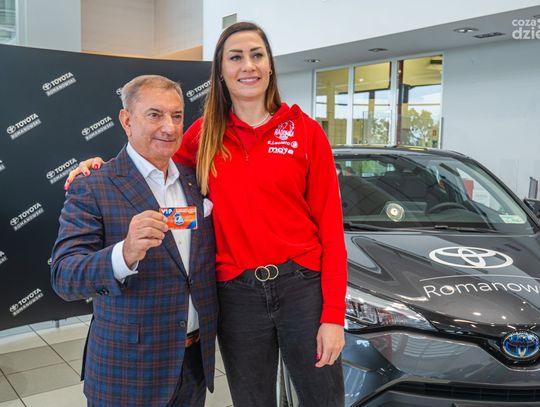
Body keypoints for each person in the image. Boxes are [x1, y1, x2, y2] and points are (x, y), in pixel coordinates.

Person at [67, 22, 347, 407]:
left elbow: (331, 231)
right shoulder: (202, 135)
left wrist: (333, 316)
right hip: (236, 295)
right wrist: (100, 167)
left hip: (302, 287)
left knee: (323, 398)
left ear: (270, 65)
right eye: (235, 57)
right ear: (221, 70)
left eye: (257, 55)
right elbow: (156, 176)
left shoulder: (306, 132)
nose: (247, 65)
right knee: (252, 400)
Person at [52, 75, 217, 407]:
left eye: (177, 115)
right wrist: (123, 254)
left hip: (193, 367)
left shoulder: (195, 181)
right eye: (155, 115)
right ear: (126, 120)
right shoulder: (94, 185)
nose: (169, 127)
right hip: (127, 371)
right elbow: (64, 277)